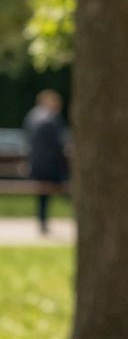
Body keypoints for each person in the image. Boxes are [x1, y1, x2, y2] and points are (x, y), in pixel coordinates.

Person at [24, 89, 68, 235]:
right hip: (50, 167)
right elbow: (58, 145)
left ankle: (42, 221)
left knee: (43, 194)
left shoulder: (32, 117)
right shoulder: (51, 119)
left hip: (35, 166)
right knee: (69, 186)